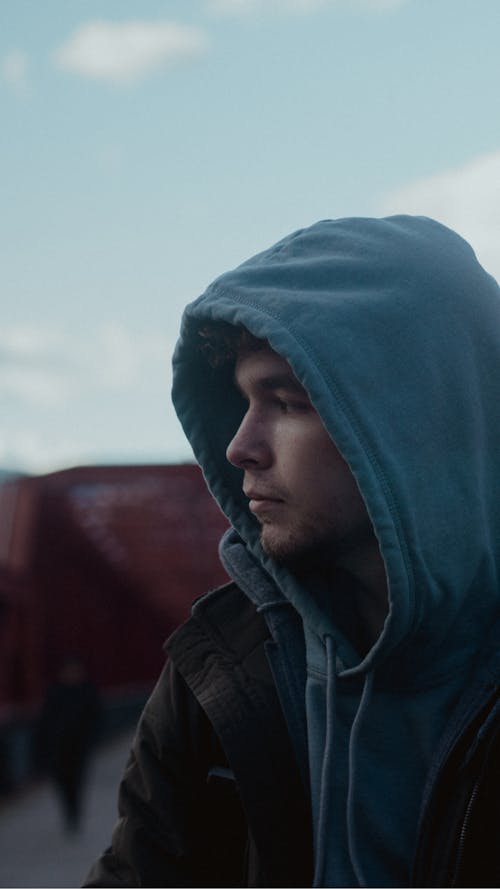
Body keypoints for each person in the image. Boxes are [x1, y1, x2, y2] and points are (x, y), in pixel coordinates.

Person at [84, 216, 500, 887]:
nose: (238, 446)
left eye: (286, 400)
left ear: (411, 426)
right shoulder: (222, 667)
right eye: (245, 400)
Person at [35, 655, 102, 833]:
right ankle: (69, 811)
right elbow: (45, 721)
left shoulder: (87, 691)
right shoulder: (55, 692)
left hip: (78, 747)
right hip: (58, 748)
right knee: (62, 781)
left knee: (76, 781)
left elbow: (96, 717)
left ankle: (74, 813)